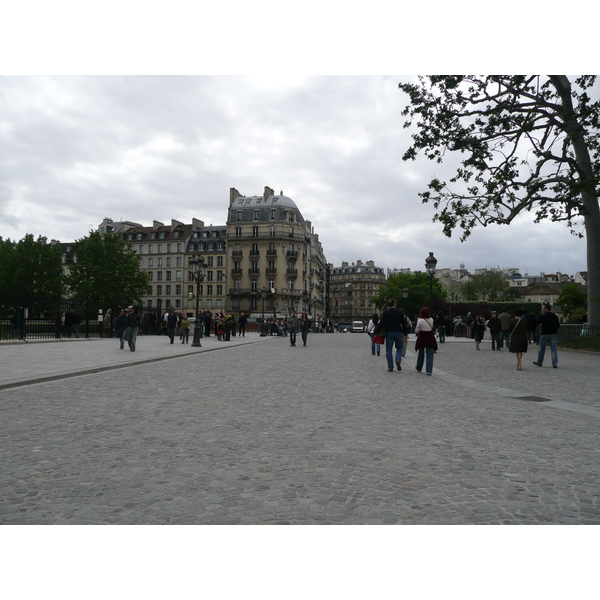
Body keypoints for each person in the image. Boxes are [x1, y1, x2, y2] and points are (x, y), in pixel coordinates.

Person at [378, 299, 410, 372]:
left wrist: (378, 330)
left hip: (389, 332)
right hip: (398, 332)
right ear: (394, 304)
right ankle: (398, 359)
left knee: (389, 350)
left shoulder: (386, 312)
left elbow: (382, 322)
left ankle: (390, 367)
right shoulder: (400, 312)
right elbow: (403, 324)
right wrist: (405, 333)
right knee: (399, 348)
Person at [533, 304, 560, 368]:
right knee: (554, 349)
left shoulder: (543, 317)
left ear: (546, 309)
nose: (542, 310)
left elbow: (537, 323)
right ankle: (554, 363)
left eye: (543, 308)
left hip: (544, 334)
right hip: (553, 334)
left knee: (541, 349)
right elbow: (557, 326)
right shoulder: (555, 316)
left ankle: (539, 361)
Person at [415, 307, 438, 375]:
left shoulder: (420, 321)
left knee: (421, 354)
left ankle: (419, 367)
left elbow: (417, 330)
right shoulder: (431, 320)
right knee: (430, 354)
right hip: (430, 336)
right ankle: (429, 370)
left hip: (422, 337)